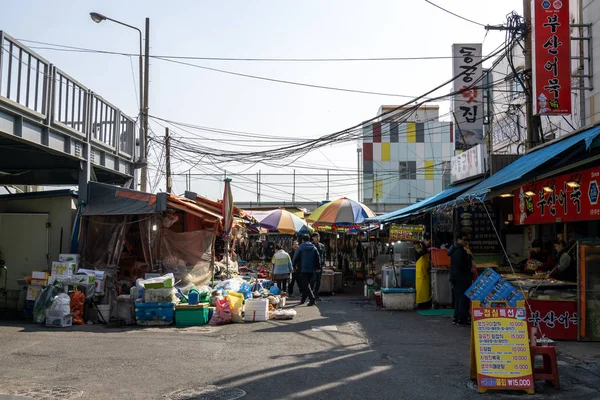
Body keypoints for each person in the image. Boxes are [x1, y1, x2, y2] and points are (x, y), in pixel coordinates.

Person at [448, 234, 474, 326]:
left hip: (455, 277)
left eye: (467, 240)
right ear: (459, 239)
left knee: (458, 298)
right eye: (464, 239)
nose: (466, 242)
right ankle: (461, 318)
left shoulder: (453, 249)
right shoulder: (460, 251)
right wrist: (469, 255)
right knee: (463, 298)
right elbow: (462, 265)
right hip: (462, 277)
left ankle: (457, 317)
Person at [292, 234, 319, 306]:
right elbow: (318, 258)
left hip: (303, 269)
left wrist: (293, 266)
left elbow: (295, 257)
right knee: (307, 285)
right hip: (312, 270)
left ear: (303, 240)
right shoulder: (314, 248)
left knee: (305, 285)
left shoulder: (300, 248)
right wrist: (318, 267)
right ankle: (303, 300)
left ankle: (312, 299)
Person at [414, 233, 432, 308]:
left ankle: (426, 302)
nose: (429, 243)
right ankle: (420, 303)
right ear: (424, 239)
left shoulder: (428, 246)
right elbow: (420, 252)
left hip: (426, 270)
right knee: (421, 287)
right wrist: (428, 250)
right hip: (420, 271)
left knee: (427, 288)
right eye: (427, 240)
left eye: (430, 241)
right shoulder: (418, 245)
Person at [310, 232, 326, 297]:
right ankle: (311, 294)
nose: (318, 238)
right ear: (313, 238)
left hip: (320, 265)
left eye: (318, 237)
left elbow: (324, 255)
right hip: (313, 266)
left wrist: (323, 262)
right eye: (316, 237)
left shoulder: (322, 246)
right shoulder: (311, 245)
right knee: (312, 280)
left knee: (318, 281)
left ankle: (316, 294)